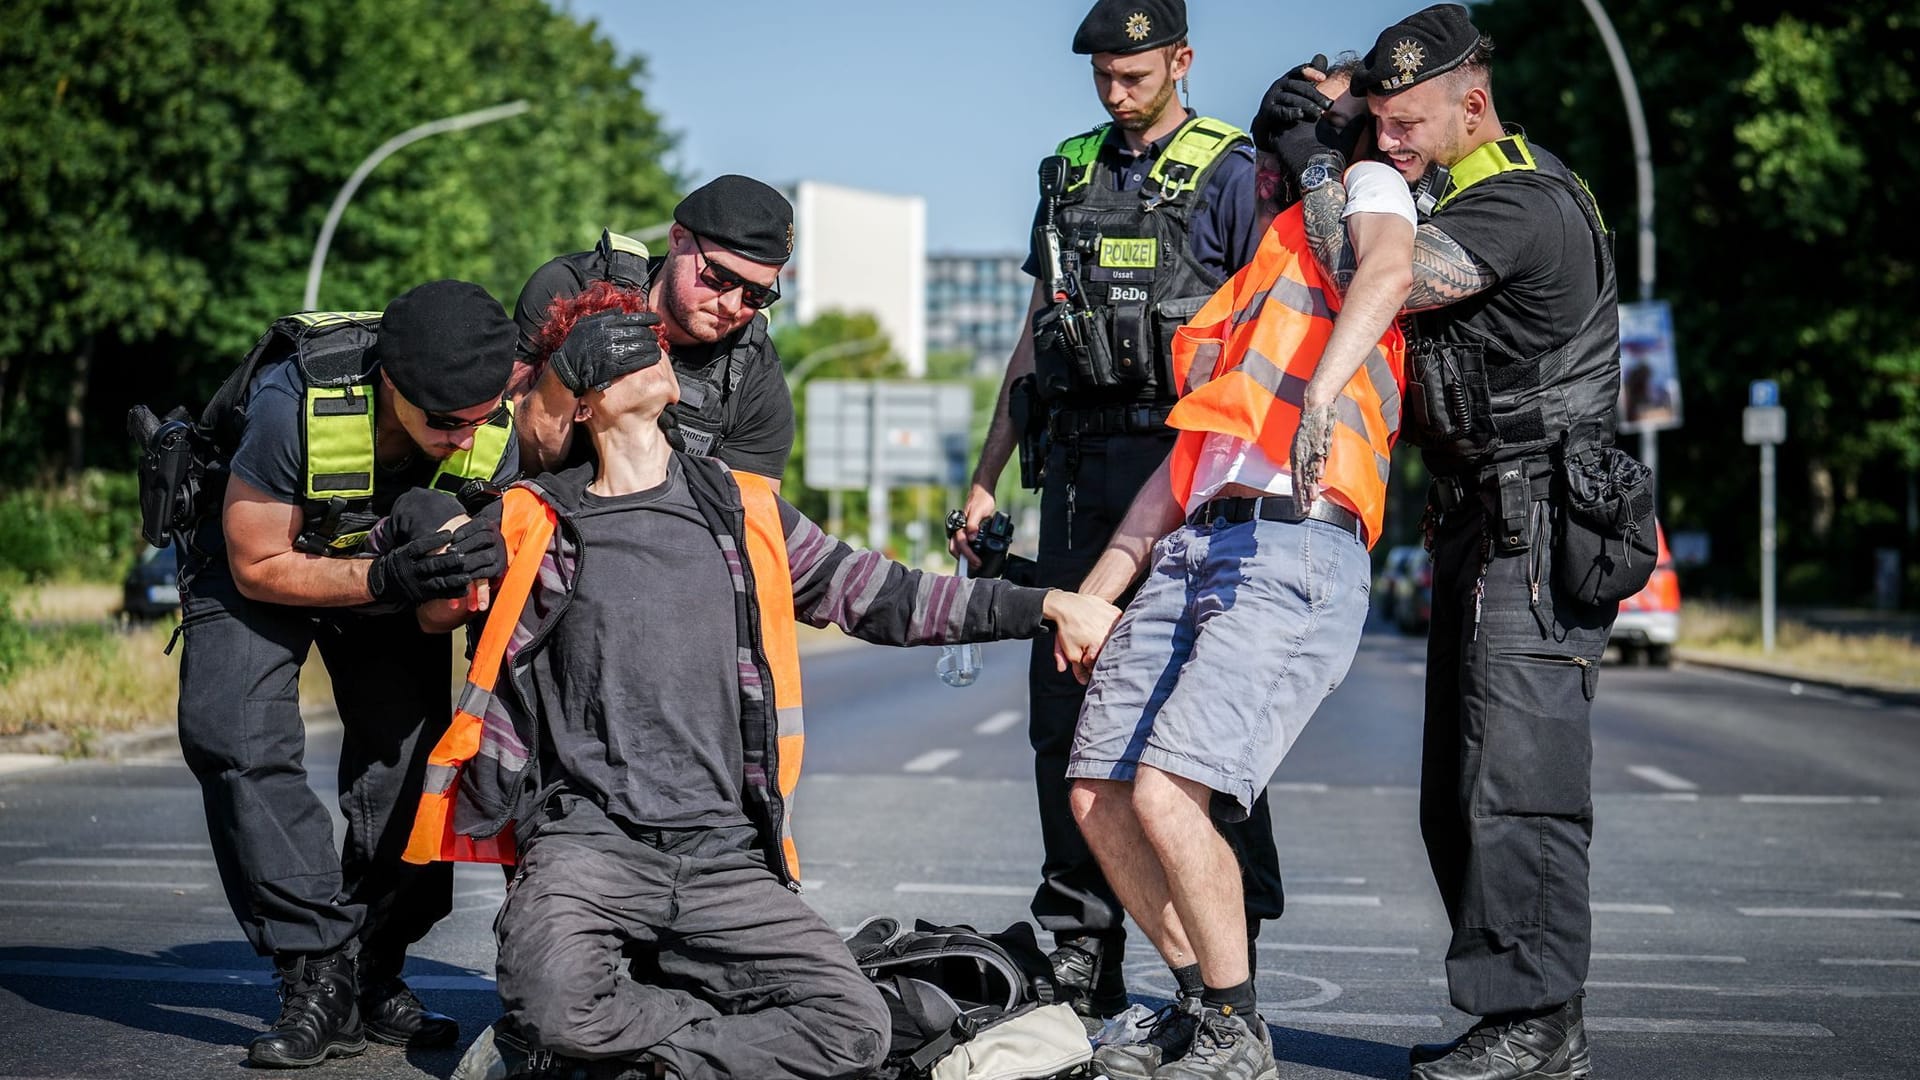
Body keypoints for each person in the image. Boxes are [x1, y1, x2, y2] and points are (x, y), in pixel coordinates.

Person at [412, 312, 1123, 1080]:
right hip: (589, 850)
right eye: (615, 354)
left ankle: (639, 1063)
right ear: (581, 403)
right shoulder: (536, 522)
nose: (646, 354)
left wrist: (1044, 604)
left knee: (854, 1029)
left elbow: (886, 597)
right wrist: (428, 526)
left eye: (649, 347)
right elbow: (422, 566)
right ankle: (667, 1041)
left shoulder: (743, 511)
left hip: (723, 857)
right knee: (551, 1004)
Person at [1277, 6, 1623, 1077]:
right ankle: (1515, 1010)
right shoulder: (1459, 181)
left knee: (1516, 783)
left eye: (1407, 123)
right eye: (1379, 122)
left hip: (1539, 520)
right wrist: (1332, 122)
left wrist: (1316, 164)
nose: (1391, 143)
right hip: (1481, 519)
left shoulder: (1521, 199)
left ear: (1472, 100)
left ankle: (1537, 1020)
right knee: (1457, 791)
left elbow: (1372, 279)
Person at [1067, 60, 1416, 1080]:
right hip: (1196, 539)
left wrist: (1319, 399)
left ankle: (1233, 1032)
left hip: (1294, 539)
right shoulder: (1256, 265)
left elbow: (1386, 274)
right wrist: (1093, 593)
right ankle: (1197, 1001)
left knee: (1172, 791)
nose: (1301, 119)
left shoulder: (1365, 194)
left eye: (1323, 106)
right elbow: (1183, 469)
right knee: (1099, 790)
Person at [948, 0, 1286, 1024]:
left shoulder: (1237, 173)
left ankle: (1232, 954)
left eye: (1134, 73)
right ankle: (1082, 954)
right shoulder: (1066, 172)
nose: (1114, 90)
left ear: (1181, 60)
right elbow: (1035, 334)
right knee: (1067, 717)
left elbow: (1274, 333)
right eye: (1102, 72)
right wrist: (985, 475)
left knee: (1198, 726)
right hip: (1081, 473)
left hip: (1188, 475)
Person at [173, 280, 520, 1067]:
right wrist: (386, 582)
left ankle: (372, 967)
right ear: (391, 384)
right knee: (231, 733)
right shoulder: (290, 405)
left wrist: (446, 584)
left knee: (412, 762)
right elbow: (259, 563)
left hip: (386, 557)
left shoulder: (489, 426)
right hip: (260, 558)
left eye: (479, 417)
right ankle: (315, 970)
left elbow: (439, 617)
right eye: (443, 423)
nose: (464, 440)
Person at [510, 175, 796, 484]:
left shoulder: (755, 372)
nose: (732, 304)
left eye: (756, 294)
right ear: (677, 239)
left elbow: (751, 519)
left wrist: (670, 469)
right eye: (720, 278)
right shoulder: (570, 289)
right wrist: (564, 376)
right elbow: (523, 457)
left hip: (672, 527)